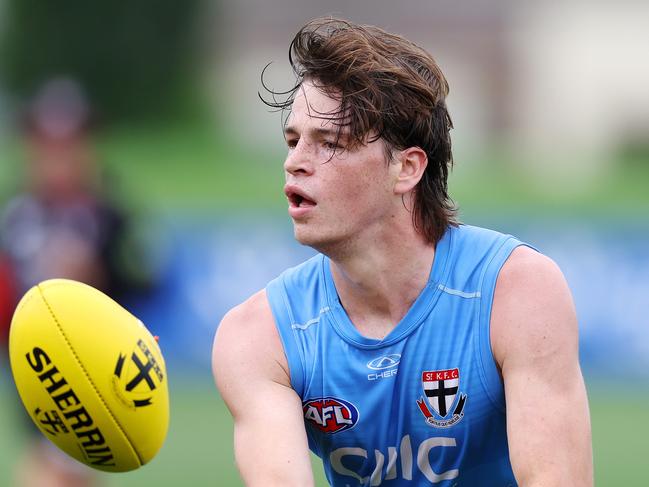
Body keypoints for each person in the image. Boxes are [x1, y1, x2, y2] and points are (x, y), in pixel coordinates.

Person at [212, 18, 593, 486]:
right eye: (293, 141)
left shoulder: (517, 291)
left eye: (329, 143)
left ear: (406, 168)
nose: (294, 161)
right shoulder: (258, 336)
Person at [0, 77, 152, 487]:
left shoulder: (112, 216)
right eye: (47, 145)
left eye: (69, 144)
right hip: (36, 372)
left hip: (101, 371)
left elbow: (144, 282)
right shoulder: (16, 217)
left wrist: (98, 275)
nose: (58, 157)